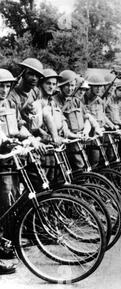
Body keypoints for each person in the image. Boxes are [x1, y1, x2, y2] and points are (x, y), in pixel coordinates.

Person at [0, 68, 46, 274]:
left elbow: (17, 126)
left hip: (7, 158)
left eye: (6, 85)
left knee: (9, 201)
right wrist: (6, 141)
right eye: (0, 86)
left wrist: (28, 138)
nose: (3, 89)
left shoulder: (6, 105)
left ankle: (6, 244)